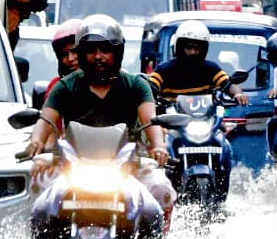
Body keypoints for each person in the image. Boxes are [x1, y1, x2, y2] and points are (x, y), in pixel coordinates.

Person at [25, 15, 176, 227]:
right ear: (82, 53)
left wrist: (159, 147)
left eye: (105, 50)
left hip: (128, 164)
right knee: (38, 178)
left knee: (161, 187)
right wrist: (36, 142)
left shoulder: (135, 85)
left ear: (118, 53)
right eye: (90, 50)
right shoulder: (65, 87)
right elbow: (46, 119)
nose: (98, 56)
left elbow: (151, 120)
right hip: (71, 164)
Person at [147, 20, 250, 106]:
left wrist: (238, 94)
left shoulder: (211, 69)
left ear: (204, 50)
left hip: (205, 121)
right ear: (179, 47)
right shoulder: (163, 70)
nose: (193, 52)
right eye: (188, 47)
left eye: (197, 48)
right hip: (172, 123)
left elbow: (228, 85)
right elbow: (149, 89)